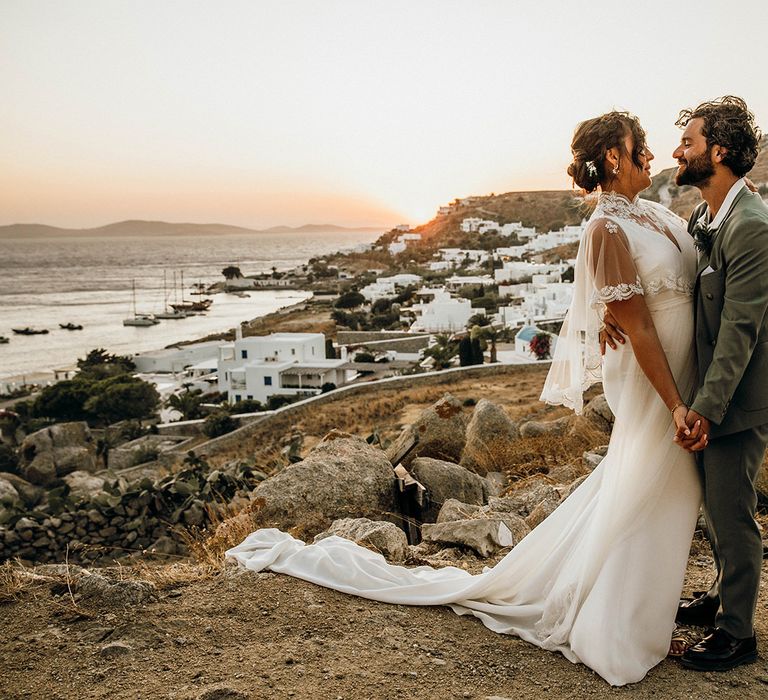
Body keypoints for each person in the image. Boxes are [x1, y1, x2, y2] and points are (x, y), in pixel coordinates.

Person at [226, 112, 703, 686]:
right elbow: (641, 326)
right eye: (639, 148)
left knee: (659, 489)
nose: (650, 156)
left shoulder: (657, 213)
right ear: (613, 160)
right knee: (651, 487)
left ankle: (640, 605)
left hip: (685, 365)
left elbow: (673, 283)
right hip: (658, 381)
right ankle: (623, 623)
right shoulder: (604, 228)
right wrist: (674, 400)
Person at [603, 96, 767, 672]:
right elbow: (671, 280)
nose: (677, 151)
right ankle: (722, 595)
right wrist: (613, 307)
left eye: (690, 142)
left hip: (737, 399)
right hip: (705, 389)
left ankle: (737, 635)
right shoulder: (704, 219)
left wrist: (704, 410)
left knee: (732, 509)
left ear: (719, 152)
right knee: (716, 506)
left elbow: (738, 336)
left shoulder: (752, 229)